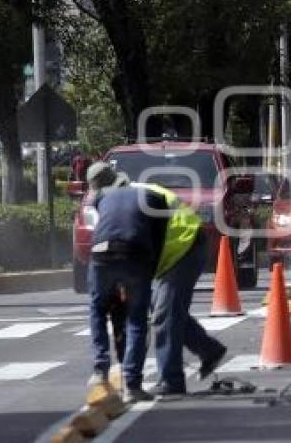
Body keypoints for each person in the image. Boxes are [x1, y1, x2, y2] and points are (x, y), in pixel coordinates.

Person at [133, 182, 228, 399]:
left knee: (164, 314)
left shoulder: (132, 205)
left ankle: (171, 380)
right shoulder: (132, 195)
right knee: (166, 309)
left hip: (185, 246)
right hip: (177, 246)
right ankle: (209, 350)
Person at [85, 162, 168, 403]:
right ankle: (132, 384)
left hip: (101, 253)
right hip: (135, 254)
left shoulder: (101, 199)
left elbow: (107, 228)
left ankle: (100, 370)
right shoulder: (152, 197)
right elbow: (158, 238)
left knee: (97, 308)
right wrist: (151, 269)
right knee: (136, 318)